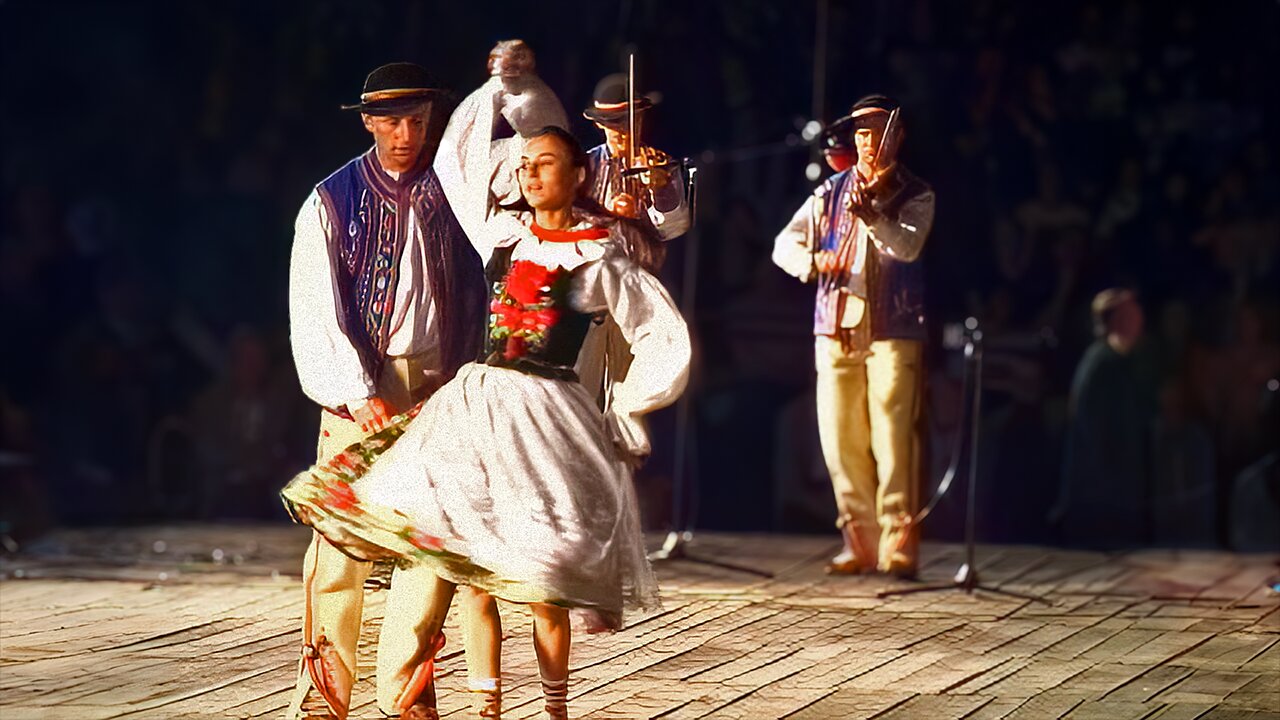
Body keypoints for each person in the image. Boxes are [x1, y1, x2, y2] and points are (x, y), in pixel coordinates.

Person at [283, 126, 690, 720]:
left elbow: (661, 332)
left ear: (577, 176)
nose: (528, 173)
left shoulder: (600, 256)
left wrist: (628, 405)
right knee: (439, 538)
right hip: (481, 400)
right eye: (524, 164)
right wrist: (505, 90)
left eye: (544, 163)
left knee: (540, 576)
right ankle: (469, 703)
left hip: (548, 413)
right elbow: (459, 160)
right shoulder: (506, 233)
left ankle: (541, 706)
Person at [285, 62, 486, 720]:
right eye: (392, 120)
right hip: (361, 378)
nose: (406, 133)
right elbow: (315, 308)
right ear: (369, 121)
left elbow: (488, 279)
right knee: (341, 544)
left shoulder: (455, 190)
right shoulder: (332, 200)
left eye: (418, 121)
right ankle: (321, 698)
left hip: (438, 378)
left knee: (428, 541)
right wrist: (355, 388)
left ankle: (407, 695)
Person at [772, 94, 935, 578]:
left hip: (892, 327)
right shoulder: (830, 192)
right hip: (836, 324)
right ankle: (858, 539)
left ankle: (898, 538)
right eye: (862, 133)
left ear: (897, 137)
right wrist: (811, 263)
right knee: (840, 436)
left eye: (879, 131)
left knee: (892, 434)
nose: (869, 142)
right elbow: (785, 244)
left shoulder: (915, 192)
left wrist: (873, 217)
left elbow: (907, 247)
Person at [1052, 288, 1158, 548]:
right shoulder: (1102, 365)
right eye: (1130, 315)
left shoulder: (1122, 363)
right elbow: (1097, 435)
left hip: (1117, 495)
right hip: (1100, 500)